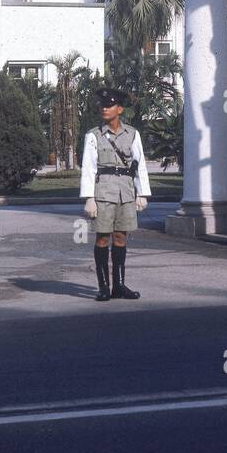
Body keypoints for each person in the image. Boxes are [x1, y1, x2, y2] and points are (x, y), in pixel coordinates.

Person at [80, 87, 151, 300]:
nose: (104, 108)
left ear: (119, 109)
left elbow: (139, 165)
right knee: (102, 238)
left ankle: (118, 285)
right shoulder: (93, 135)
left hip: (126, 192)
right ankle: (104, 287)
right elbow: (89, 167)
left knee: (121, 237)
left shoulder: (132, 134)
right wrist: (89, 198)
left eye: (109, 105)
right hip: (103, 193)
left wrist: (142, 193)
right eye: (102, 105)